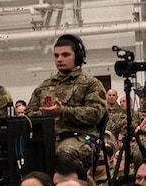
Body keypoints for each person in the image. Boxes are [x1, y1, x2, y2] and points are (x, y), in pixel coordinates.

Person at [25, 33, 108, 166]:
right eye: (56, 55)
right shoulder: (44, 86)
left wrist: (63, 111)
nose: (59, 59)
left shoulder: (91, 84)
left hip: (82, 138)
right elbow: (28, 116)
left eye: (65, 55)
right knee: (22, 155)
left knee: (64, 153)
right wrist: (44, 114)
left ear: (78, 57)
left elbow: (95, 114)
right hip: (49, 139)